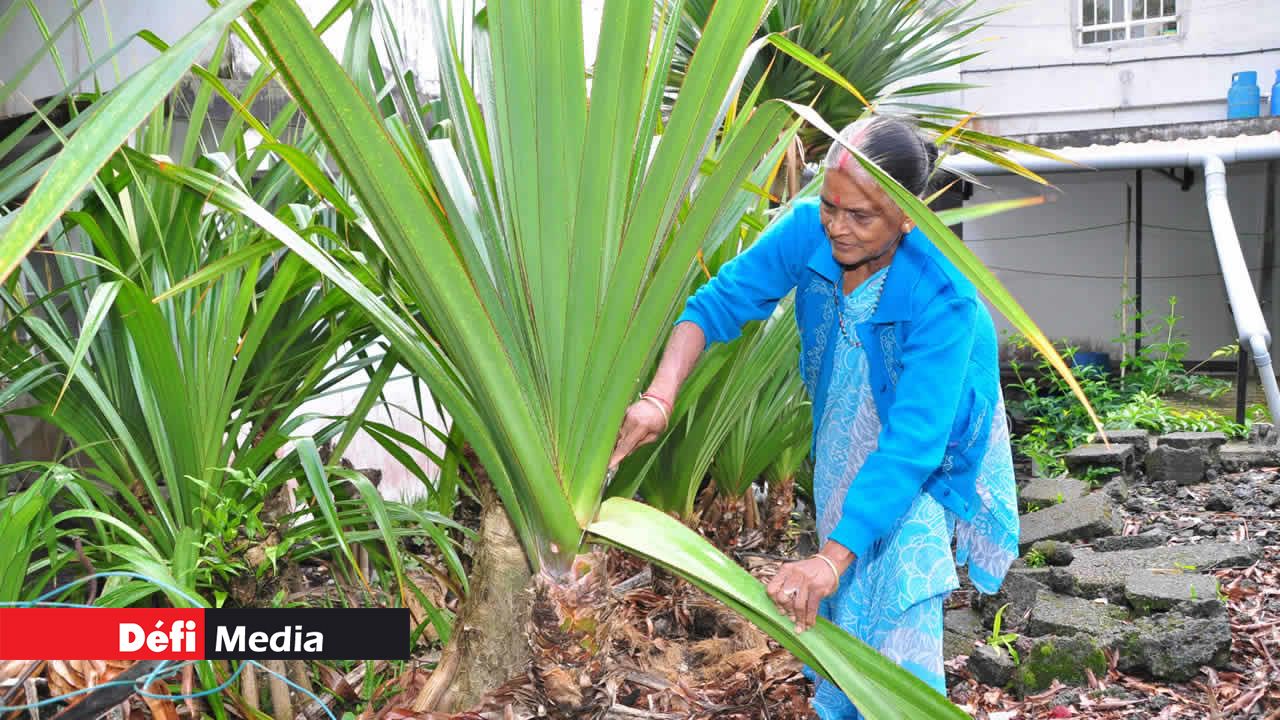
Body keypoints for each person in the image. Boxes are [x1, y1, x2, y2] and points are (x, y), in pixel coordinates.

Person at [609, 115, 1020, 718]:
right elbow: (713, 305)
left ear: (908, 216)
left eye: (861, 216)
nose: (837, 227)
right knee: (846, 591)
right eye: (830, 205)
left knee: (904, 582)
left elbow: (913, 443)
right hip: (844, 429)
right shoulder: (809, 230)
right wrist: (660, 398)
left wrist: (830, 558)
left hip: (928, 448)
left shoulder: (943, 294)